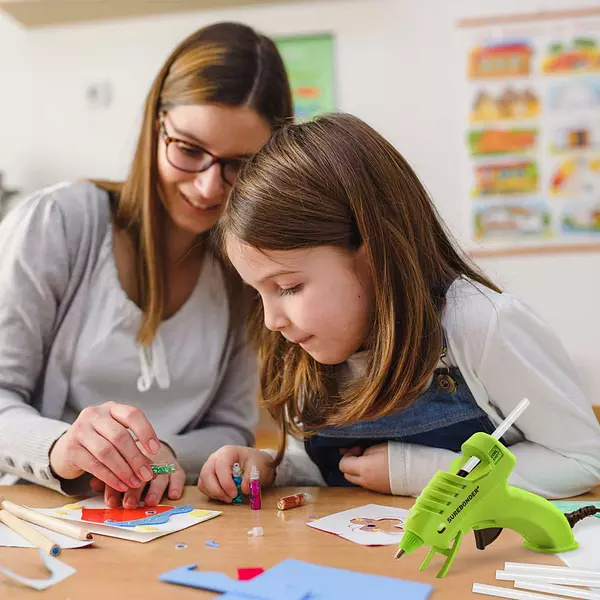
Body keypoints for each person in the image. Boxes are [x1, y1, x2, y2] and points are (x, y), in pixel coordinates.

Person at [198, 113, 600, 502]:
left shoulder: (479, 325)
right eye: (258, 292)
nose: (272, 321)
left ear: (373, 255)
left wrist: (421, 471)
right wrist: (271, 467)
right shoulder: (304, 348)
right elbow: (324, 472)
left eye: (288, 287)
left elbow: (581, 460)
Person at [0, 22, 293, 508]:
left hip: (175, 512)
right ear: (154, 126)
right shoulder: (58, 223)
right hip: (43, 514)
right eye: (189, 150)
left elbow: (232, 424)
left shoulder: (247, 265)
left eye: (240, 165)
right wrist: (59, 447)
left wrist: (168, 452)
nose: (207, 188)